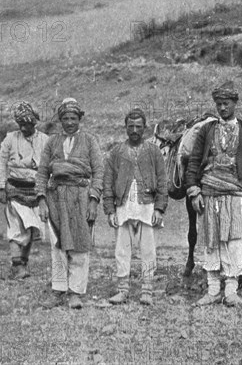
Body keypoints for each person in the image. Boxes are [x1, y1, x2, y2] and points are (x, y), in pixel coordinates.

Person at [185, 81, 242, 307]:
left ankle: (231, 290)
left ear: (235, 104)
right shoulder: (207, 130)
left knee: (235, 241)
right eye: (219, 104)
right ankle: (213, 290)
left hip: (236, 193)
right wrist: (194, 191)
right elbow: (194, 161)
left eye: (226, 104)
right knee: (211, 241)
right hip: (209, 193)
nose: (222, 108)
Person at [36, 98, 104, 309]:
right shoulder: (51, 142)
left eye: (73, 118)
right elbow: (42, 172)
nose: (69, 122)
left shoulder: (89, 140)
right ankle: (59, 290)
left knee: (80, 245)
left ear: (79, 119)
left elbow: (99, 172)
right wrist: (41, 200)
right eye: (65, 118)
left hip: (81, 197)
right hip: (56, 197)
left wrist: (93, 200)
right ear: (60, 120)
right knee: (58, 246)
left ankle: (76, 292)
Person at [103, 109, 168, 305]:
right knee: (122, 250)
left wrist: (159, 208)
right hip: (123, 206)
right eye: (130, 126)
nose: (134, 130)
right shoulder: (116, 152)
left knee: (148, 250)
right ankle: (123, 290)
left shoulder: (153, 151)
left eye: (138, 126)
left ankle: (147, 290)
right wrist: (110, 209)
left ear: (145, 128)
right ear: (125, 127)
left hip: (147, 207)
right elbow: (107, 182)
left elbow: (163, 181)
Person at [0, 101, 48, 279]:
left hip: (36, 192)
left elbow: (49, 167)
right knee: (17, 230)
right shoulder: (10, 139)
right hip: (15, 191)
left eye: (27, 124)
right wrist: (1, 187)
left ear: (35, 123)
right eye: (20, 124)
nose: (24, 128)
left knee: (32, 230)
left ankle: (23, 263)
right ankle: (17, 267)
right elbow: (1, 164)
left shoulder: (45, 141)